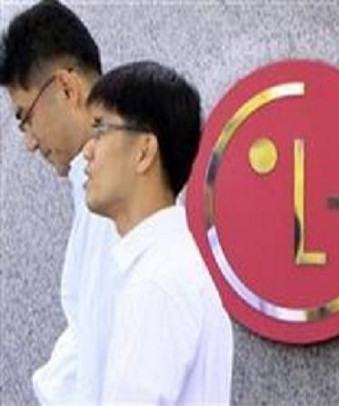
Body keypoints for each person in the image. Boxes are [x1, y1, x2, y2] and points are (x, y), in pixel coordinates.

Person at [83, 60, 233, 404]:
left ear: (144, 152)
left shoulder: (156, 284)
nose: (88, 151)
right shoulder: (168, 267)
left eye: (100, 130)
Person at [0, 1, 119, 403]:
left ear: (67, 88)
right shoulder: (97, 183)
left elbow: (105, 358)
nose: (30, 143)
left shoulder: (119, 190)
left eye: (25, 118)